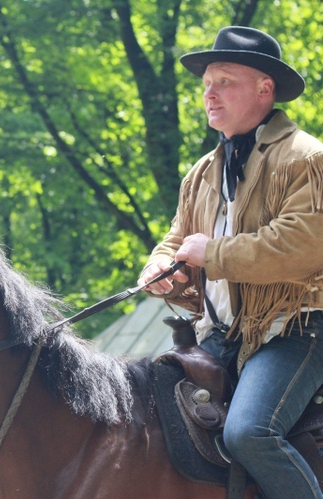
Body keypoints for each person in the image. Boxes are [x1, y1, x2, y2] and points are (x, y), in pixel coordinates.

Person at [138, 26, 323, 498]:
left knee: (248, 433)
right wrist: (158, 269)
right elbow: (177, 239)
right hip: (219, 335)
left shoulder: (308, 158)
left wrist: (212, 255)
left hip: (295, 329)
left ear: (265, 89)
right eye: (206, 84)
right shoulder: (202, 171)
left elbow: (304, 244)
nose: (209, 94)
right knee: (136, 414)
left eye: (225, 82)